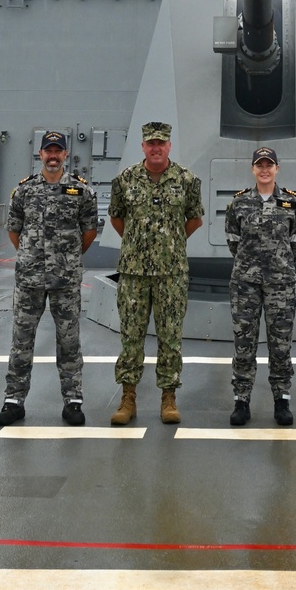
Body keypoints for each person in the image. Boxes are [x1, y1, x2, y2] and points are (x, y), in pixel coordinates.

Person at [0, 129, 98, 427]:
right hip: (29, 279)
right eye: (48, 150)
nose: (53, 156)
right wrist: (32, 256)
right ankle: (14, 400)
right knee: (22, 340)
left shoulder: (81, 191)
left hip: (65, 280)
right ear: (40, 154)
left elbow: (89, 230)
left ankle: (73, 400)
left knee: (69, 341)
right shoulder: (24, 191)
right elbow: (14, 230)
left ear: (66, 154)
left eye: (58, 150)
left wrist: (69, 258)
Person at [108, 121, 204, 425]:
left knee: (170, 337)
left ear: (169, 146)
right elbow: (117, 218)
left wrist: (170, 243)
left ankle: (169, 398)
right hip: (134, 273)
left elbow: (195, 220)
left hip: (172, 273)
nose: (156, 147)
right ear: (143, 146)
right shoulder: (125, 180)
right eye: (151, 143)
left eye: (161, 143)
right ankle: (128, 398)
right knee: (131, 337)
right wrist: (138, 246)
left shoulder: (187, 180)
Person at [225, 146, 296, 427]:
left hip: (280, 284)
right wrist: (253, 267)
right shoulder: (239, 204)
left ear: (277, 169)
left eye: (269, 164)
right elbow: (233, 240)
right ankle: (241, 400)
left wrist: (276, 267)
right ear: (253, 169)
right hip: (245, 284)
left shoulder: (290, 203)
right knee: (244, 343)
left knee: (280, 345)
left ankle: (281, 399)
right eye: (260, 164)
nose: (265, 169)